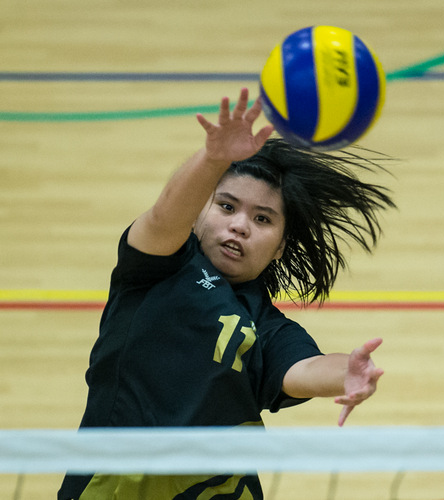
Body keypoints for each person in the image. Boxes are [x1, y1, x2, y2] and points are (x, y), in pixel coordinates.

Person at [58, 88, 396, 500]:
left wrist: (349, 372)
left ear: (280, 246)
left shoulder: (266, 325)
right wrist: (214, 159)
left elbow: (305, 370)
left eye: (262, 218)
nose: (240, 226)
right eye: (226, 207)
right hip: (112, 488)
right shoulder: (156, 266)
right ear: (201, 209)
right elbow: (166, 214)